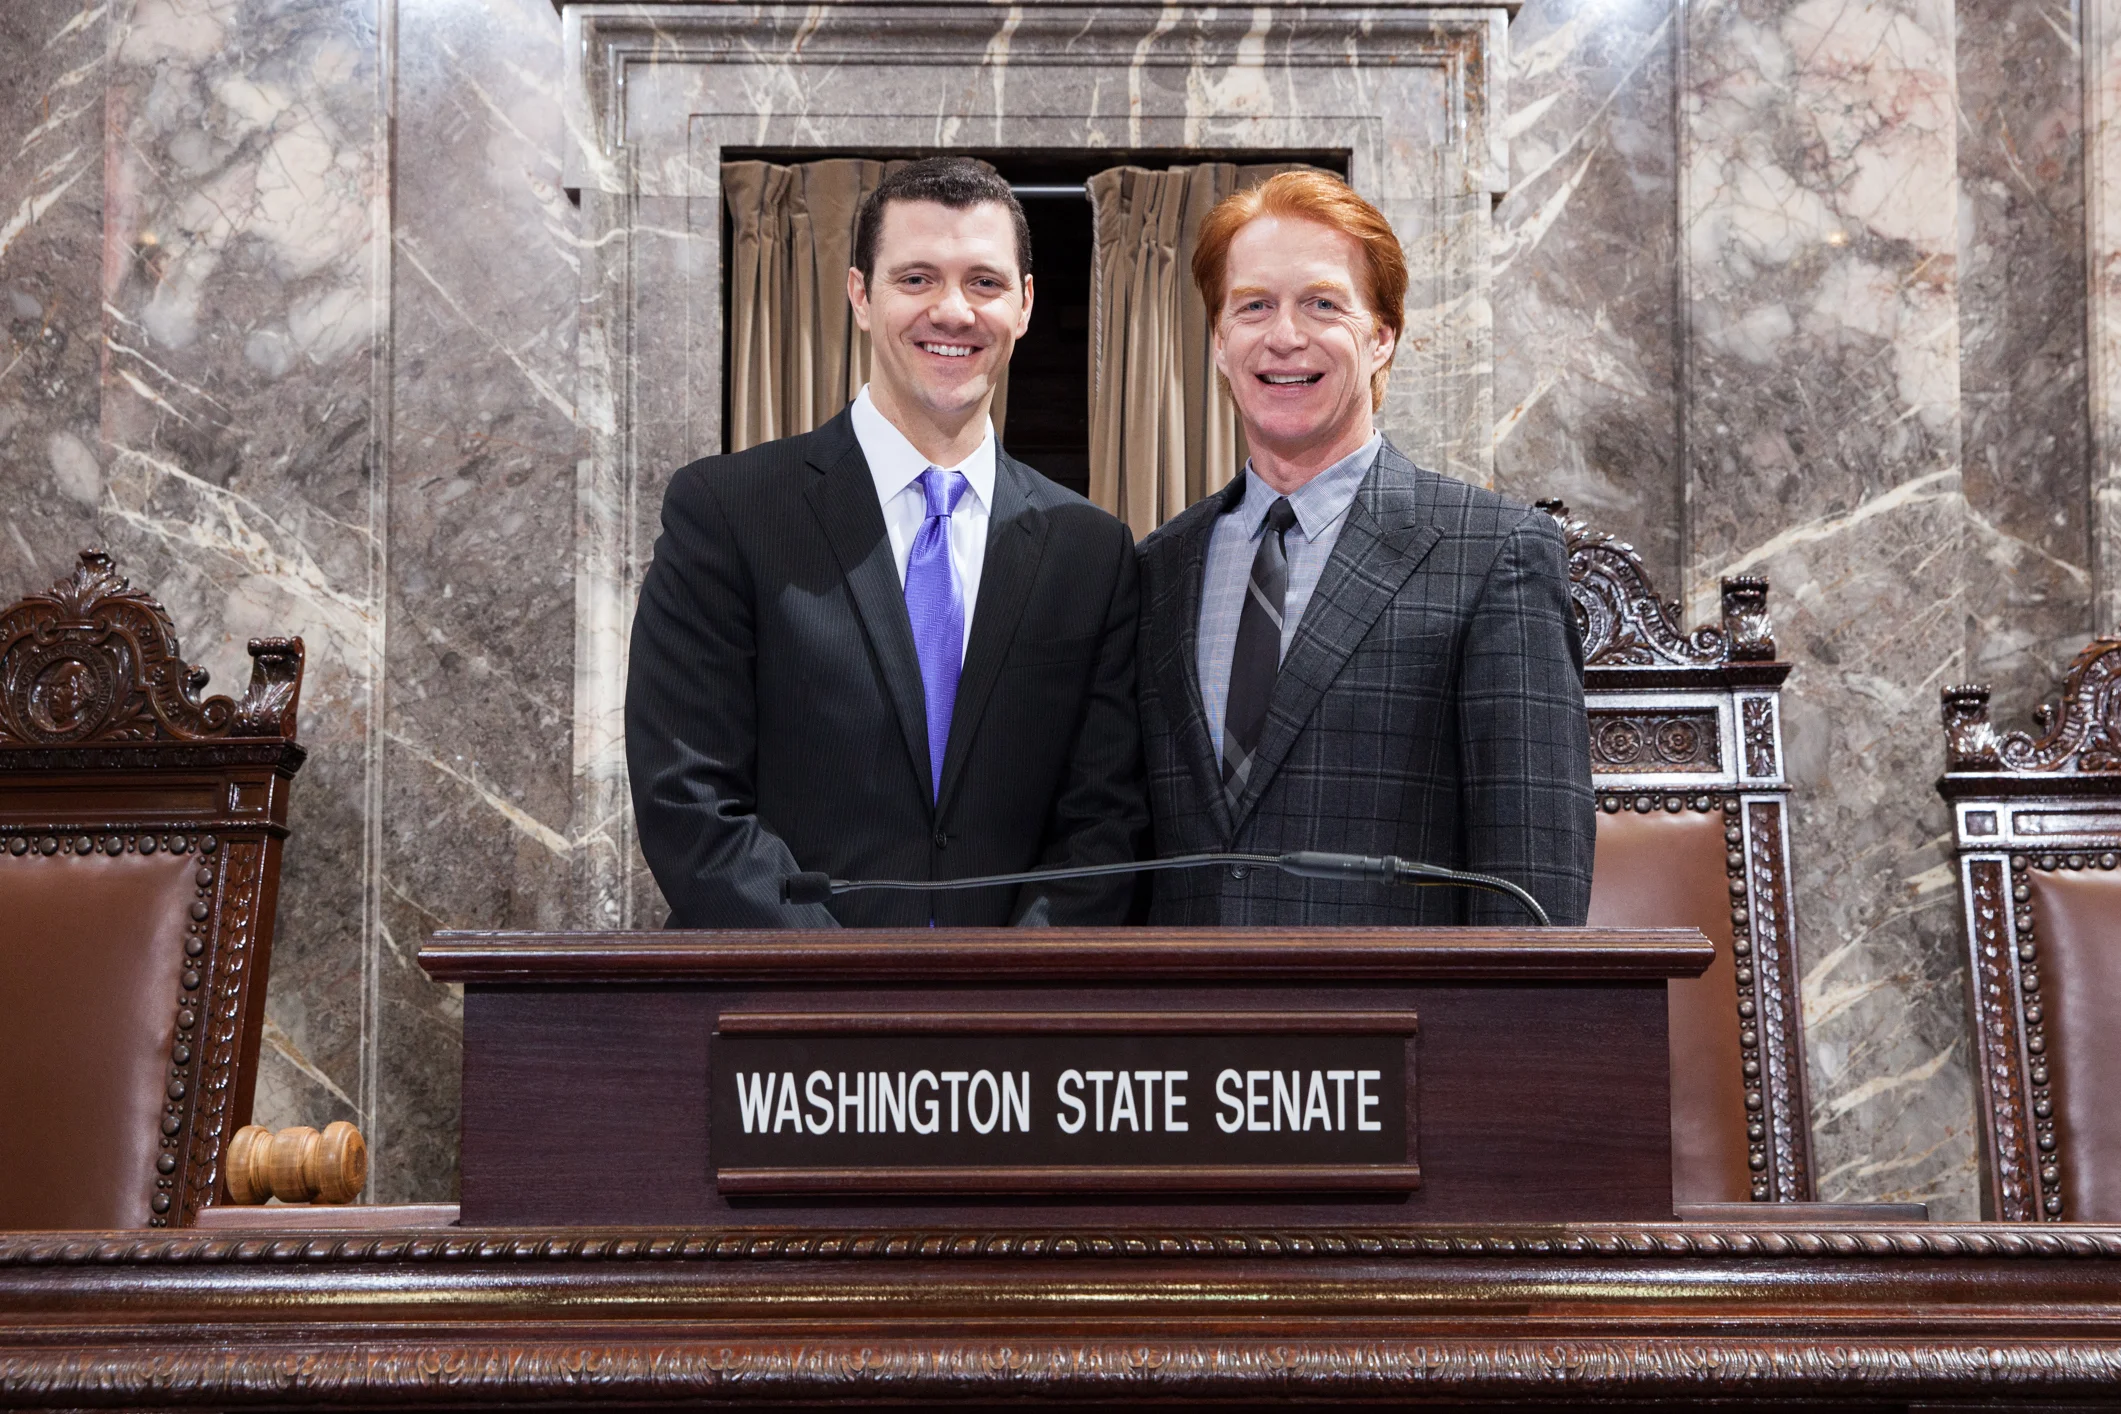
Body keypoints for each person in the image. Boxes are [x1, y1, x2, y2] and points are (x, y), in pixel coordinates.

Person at [627, 157, 1145, 927]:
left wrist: (1002, 992)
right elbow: (689, 797)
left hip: (1007, 1027)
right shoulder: (727, 510)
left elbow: (1104, 826)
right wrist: (853, 987)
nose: (952, 312)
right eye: (916, 279)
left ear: (1025, 304)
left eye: (983, 282)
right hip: (784, 1015)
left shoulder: (1091, 550)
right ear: (861, 296)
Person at [1137, 171, 1595, 925]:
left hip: (1398, 1033)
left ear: (1381, 337)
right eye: (1253, 306)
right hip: (1185, 1032)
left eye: (1321, 303)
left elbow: (1531, 879)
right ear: (1219, 342)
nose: (1284, 335)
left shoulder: (1493, 553)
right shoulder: (1158, 568)